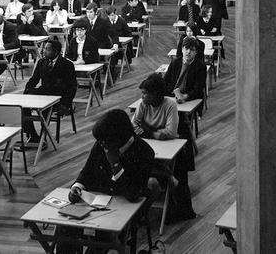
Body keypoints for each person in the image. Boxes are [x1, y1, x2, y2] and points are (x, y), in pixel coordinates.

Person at [132, 73, 196, 220]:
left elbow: (171, 132)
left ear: (154, 95)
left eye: (144, 93)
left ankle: (172, 199)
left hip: (170, 148)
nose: (142, 97)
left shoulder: (170, 105)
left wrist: (147, 131)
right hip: (152, 145)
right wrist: (155, 133)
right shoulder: (143, 104)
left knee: (170, 169)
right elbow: (133, 125)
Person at [68, 109, 154, 203]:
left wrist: (115, 164)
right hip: (101, 201)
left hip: (127, 205)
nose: (101, 144)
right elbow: (87, 171)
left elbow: (133, 194)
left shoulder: (144, 152)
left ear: (119, 138)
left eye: (104, 141)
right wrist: (77, 186)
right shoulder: (103, 144)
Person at [23, 40, 77, 144]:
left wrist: (66, 104)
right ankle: (33, 135)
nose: (44, 52)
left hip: (58, 95)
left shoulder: (67, 65)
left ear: (56, 52)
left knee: (45, 109)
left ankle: (44, 138)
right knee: (24, 107)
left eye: (47, 50)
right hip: (44, 92)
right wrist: (26, 93)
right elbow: (34, 79)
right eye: (44, 49)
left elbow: (72, 87)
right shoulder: (41, 62)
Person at [164, 37, 207, 115]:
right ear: (182, 49)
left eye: (192, 50)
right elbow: (165, 81)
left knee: (179, 118)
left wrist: (185, 97)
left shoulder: (201, 67)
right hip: (172, 97)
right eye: (186, 49)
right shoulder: (175, 63)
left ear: (196, 52)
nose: (188, 52)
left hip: (189, 99)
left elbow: (198, 90)